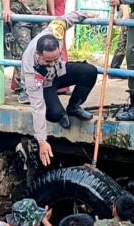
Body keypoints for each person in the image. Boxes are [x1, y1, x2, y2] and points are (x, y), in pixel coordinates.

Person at [22, 10, 98, 167]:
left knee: (89, 71)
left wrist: (85, 14)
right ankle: (61, 112)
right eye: (47, 61)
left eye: (55, 58)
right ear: (38, 55)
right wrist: (42, 140)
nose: (51, 63)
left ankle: (74, 106)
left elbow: (66, 19)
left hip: (59, 74)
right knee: (54, 113)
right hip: (44, 84)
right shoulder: (30, 68)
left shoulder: (55, 31)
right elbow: (37, 107)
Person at [1, 0, 49, 104]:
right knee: (23, 53)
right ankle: (24, 89)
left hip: (41, 13)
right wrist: (6, 8)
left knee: (41, 52)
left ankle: (39, 87)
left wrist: (52, 14)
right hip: (20, 11)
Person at [48, 0, 72, 95]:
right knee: (55, 48)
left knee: (59, 48)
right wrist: (54, 16)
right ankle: (60, 85)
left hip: (58, 15)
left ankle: (62, 84)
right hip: (54, 16)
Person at [110, 4, 131, 70]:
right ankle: (115, 67)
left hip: (127, 10)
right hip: (126, 11)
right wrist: (125, 13)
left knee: (124, 40)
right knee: (124, 39)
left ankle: (115, 67)